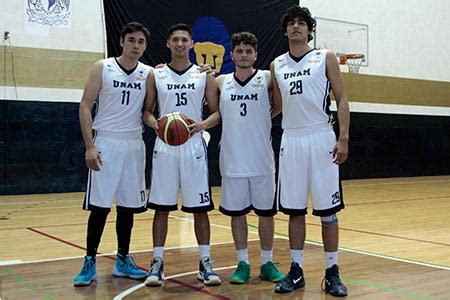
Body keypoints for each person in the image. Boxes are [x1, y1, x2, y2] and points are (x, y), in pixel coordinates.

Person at [271, 5, 350, 296]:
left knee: (328, 212)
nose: (296, 27)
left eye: (301, 23)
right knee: (294, 211)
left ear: (309, 29)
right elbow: (276, 107)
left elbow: (342, 99)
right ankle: (296, 270)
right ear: (285, 30)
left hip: (320, 139)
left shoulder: (324, 57)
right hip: (291, 140)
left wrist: (343, 138)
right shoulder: (276, 64)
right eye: (291, 23)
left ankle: (332, 272)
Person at [143, 23, 221, 287]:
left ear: (191, 44)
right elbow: (146, 111)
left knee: (200, 209)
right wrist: (159, 126)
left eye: (183, 40)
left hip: (194, 147)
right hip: (165, 147)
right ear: (168, 44)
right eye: (174, 39)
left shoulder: (203, 75)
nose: (179, 44)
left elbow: (216, 112)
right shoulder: (157, 74)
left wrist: (200, 126)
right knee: (161, 208)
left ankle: (205, 262)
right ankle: (156, 263)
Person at [74, 22, 151, 286]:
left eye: (141, 42)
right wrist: (89, 146)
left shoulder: (149, 73)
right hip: (106, 142)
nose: (136, 46)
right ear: (121, 41)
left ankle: (122, 259)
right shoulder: (102, 67)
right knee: (100, 207)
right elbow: (85, 105)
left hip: (134, 143)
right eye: (132, 40)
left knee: (128, 207)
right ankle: (89, 261)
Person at [216, 32, 284, 284]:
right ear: (231, 54)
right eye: (239, 51)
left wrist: (264, 118)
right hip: (232, 159)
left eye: (249, 51)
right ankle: (242, 262)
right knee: (238, 213)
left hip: (261, 159)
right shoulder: (220, 82)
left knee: (266, 213)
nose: (244, 55)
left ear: (256, 54)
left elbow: (279, 105)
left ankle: (267, 262)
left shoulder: (267, 78)